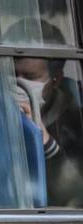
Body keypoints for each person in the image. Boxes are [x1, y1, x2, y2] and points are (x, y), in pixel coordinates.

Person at [7, 19, 83, 207]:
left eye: (30, 77)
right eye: (12, 73)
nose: (18, 83)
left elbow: (75, 200)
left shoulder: (76, 124)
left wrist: (46, 144)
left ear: (56, 79)